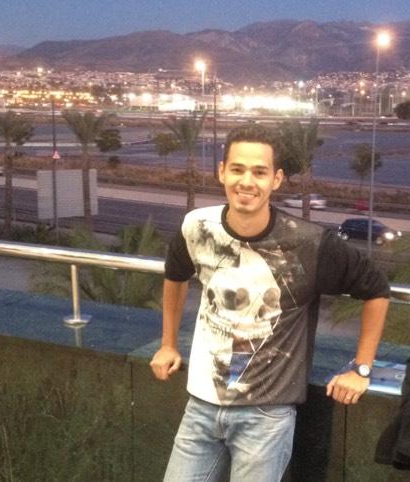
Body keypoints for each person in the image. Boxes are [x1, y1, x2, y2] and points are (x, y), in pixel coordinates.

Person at [150, 124, 389, 481]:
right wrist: (168, 344)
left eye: (259, 172)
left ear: (276, 179)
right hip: (201, 404)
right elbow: (175, 275)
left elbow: (376, 289)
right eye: (237, 169)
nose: (247, 181)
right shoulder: (197, 227)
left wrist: (361, 369)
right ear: (221, 172)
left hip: (266, 417)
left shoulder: (310, 243)